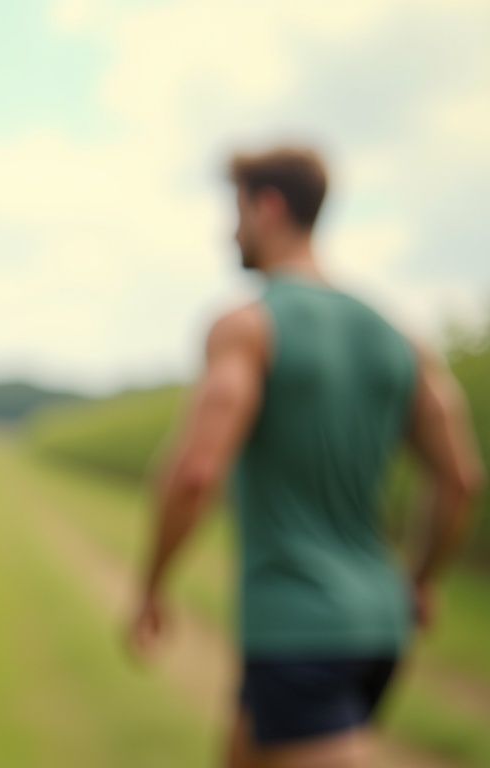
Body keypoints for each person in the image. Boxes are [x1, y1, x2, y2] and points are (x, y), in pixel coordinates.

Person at [129, 147, 483, 768]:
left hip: (300, 629)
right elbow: (459, 478)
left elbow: (196, 471)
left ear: (268, 208)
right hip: (378, 623)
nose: (229, 232)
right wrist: (421, 579)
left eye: (236, 213)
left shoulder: (249, 326)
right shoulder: (401, 336)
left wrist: (152, 585)